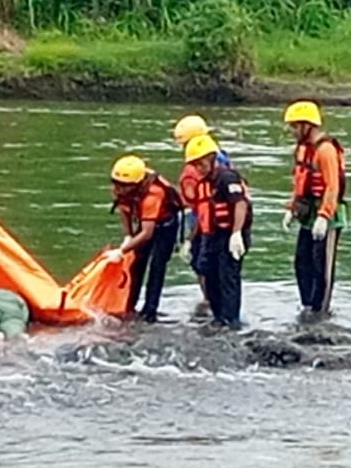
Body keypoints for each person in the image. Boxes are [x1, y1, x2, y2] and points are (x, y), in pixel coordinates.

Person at [281, 100, 347, 319]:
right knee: (302, 261)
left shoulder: (325, 150)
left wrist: (324, 215)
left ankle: (321, 310)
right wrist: (292, 208)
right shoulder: (302, 150)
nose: (291, 131)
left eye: (294, 126)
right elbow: (300, 182)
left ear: (307, 125)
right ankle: (307, 305)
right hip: (308, 213)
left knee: (322, 266)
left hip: (327, 215)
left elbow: (332, 186)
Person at [184, 134, 251, 330]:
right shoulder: (203, 184)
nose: (199, 168)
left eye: (201, 163)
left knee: (228, 277)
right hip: (210, 237)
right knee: (208, 273)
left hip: (229, 236)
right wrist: (190, 240)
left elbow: (240, 203)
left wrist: (236, 233)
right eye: (195, 165)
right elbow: (201, 213)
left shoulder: (227, 177)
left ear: (213, 158)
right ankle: (218, 316)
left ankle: (231, 320)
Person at [107, 154, 183, 323]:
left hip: (165, 225)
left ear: (136, 184)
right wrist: (128, 236)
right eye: (116, 184)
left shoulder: (152, 195)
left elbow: (147, 233)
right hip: (145, 223)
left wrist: (121, 251)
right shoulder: (120, 188)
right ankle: (129, 306)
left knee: (157, 266)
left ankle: (150, 310)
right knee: (136, 264)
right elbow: (124, 209)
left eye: (123, 186)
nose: (119, 189)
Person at [173, 115, 213, 310]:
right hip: (204, 218)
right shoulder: (215, 159)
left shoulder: (199, 167)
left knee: (201, 262)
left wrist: (189, 237)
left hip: (202, 220)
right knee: (203, 262)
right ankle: (210, 300)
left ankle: (209, 300)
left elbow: (201, 205)